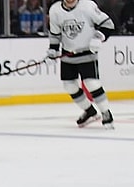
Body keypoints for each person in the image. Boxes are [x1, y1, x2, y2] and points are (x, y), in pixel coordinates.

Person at [47, 0, 116, 128]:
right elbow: (55, 33)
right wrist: (53, 49)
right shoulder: (55, 10)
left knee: (92, 83)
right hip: (68, 55)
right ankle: (89, 111)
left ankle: (106, 113)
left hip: (87, 53)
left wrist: (98, 37)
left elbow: (108, 24)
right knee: (69, 86)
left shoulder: (88, 6)